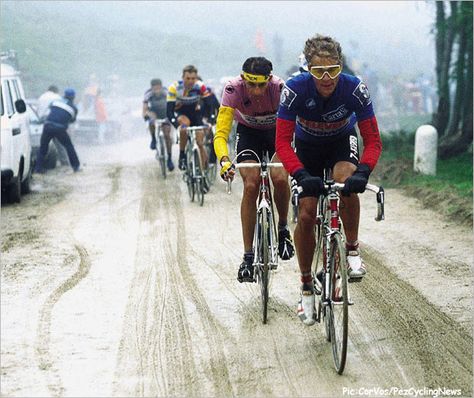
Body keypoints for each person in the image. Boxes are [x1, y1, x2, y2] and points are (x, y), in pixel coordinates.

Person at [275, 35, 382, 325]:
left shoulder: (354, 88)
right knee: (307, 213)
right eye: (318, 71)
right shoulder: (295, 89)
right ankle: (307, 286)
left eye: (333, 70)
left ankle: (352, 249)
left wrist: (364, 171)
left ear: (341, 68)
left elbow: (372, 140)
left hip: (340, 142)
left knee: (346, 183)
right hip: (307, 148)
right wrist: (299, 174)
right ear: (307, 70)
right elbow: (283, 143)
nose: (326, 78)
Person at [214, 56, 295, 283]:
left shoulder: (281, 88)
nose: (257, 91)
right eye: (251, 84)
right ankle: (248, 257)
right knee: (251, 185)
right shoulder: (233, 89)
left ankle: (282, 229)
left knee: (279, 178)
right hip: (248, 134)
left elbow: (298, 124)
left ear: (269, 80)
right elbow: (221, 133)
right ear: (243, 79)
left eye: (261, 85)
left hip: (278, 134)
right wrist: (224, 161)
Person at [166, 65, 213, 172]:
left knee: (200, 142)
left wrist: (210, 120)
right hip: (182, 114)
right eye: (188, 78)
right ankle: (182, 155)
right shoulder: (174, 88)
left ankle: (205, 173)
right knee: (184, 127)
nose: (191, 81)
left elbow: (210, 104)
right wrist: (177, 126)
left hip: (196, 115)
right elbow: (169, 111)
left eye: (193, 79)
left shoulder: (200, 86)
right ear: (182, 78)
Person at [34, 88, 81, 174]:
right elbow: (72, 120)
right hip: (60, 128)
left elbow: (49, 112)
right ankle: (76, 167)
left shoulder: (55, 102)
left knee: (43, 148)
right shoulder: (74, 108)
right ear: (73, 97)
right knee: (69, 146)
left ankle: (38, 169)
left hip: (47, 126)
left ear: (64, 95)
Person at [143, 78, 174, 171]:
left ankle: (169, 158)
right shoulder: (148, 94)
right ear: (151, 88)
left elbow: (172, 105)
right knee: (151, 122)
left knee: (167, 135)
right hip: (154, 113)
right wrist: (146, 115)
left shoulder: (166, 92)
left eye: (158, 87)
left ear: (161, 87)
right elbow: (144, 109)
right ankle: (153, 139)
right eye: (154, 88)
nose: (156, 90)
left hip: (165, 113)